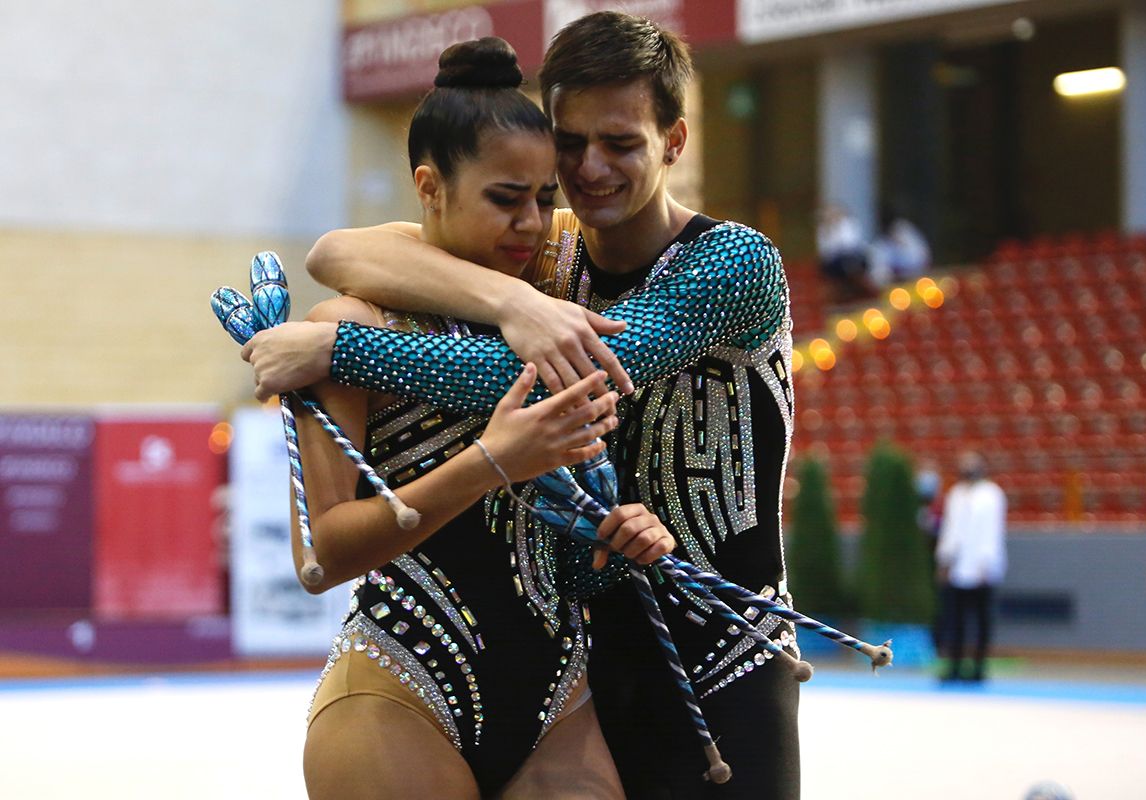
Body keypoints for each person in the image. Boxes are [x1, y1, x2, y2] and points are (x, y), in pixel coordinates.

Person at [242, 12, 799, 799]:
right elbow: (336, 252)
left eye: (622, 143)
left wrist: (342, 352)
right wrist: (512, 300)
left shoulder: (732, 260)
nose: (588, 169)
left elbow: (581, 378)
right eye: (569, 144)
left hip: (719, 654)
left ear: (675, 142)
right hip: (581, 646)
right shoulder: (545, 253)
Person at [295, 38, 675, 800]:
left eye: (544, 198)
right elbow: (322, 557)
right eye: (506, 198)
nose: (533, 223)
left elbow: (552, 529)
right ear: (430, 187)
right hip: (398, 694)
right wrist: (492, 460)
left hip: (559, 702)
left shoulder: (553, 308)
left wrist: (617, 531)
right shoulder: (351, 326)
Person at [935, 450, 1006, 683]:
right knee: (955, 620)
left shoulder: (992, 495)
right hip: (957, 567)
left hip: (981, 568)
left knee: (981, 621)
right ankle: (953, 666)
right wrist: (944, 559)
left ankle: (978, 666)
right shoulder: (956, 494)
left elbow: (991, 532)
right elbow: (950, 530)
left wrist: (987, 563)